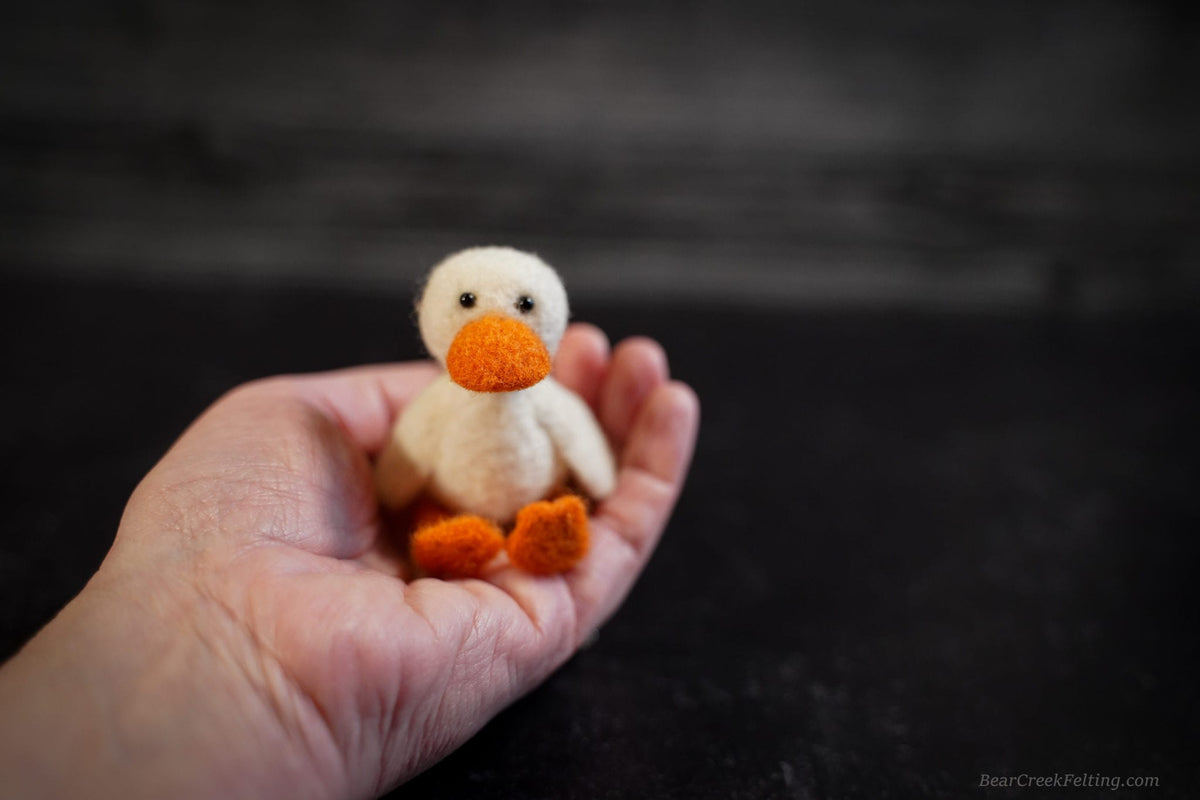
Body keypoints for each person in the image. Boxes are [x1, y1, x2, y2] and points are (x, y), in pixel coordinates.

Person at [0, 325, 699, 799]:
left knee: (555, 511)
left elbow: (580, 439)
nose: (497, 328)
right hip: (444, 503)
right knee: (432, 522)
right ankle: (461, 543)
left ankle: (537, 536)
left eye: (520, 310)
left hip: (533, 495)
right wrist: (385, 491)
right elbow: (404, 461)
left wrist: (601, 483)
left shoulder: (548, 398)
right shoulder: (438, 402)